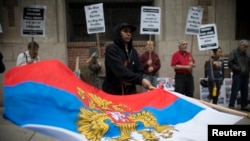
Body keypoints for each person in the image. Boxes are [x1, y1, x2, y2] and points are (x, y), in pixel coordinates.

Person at [102, 22, 155, 95]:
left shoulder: (133, 51)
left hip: (130, 93)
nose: (128, 34)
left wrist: (132, 80)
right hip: (113, 93)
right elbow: (120, 70)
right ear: (118, 33)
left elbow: (139, 69)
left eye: (130, 32)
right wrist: (140, 80)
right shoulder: (112, 49)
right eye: (125, 31)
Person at [228, 40, 250, 111]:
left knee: (245, 91)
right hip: (238, 75)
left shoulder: (246, 54)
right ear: (240, 46)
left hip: (245, 75)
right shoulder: (234, 53)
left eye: (247, 47)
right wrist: (238, 69)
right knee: (235, 90)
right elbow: (230, 63)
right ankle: (231, 105)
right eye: (245, 47)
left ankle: (244, 105)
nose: (246, 48)